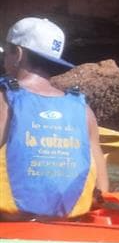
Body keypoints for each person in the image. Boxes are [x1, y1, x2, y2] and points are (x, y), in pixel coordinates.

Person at [0, 17, 109, 219]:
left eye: (7, 51)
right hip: (66, 226)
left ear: (18, 54)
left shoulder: (3, 101)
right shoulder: (84, 110)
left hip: (9, 225)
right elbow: (101, 189)